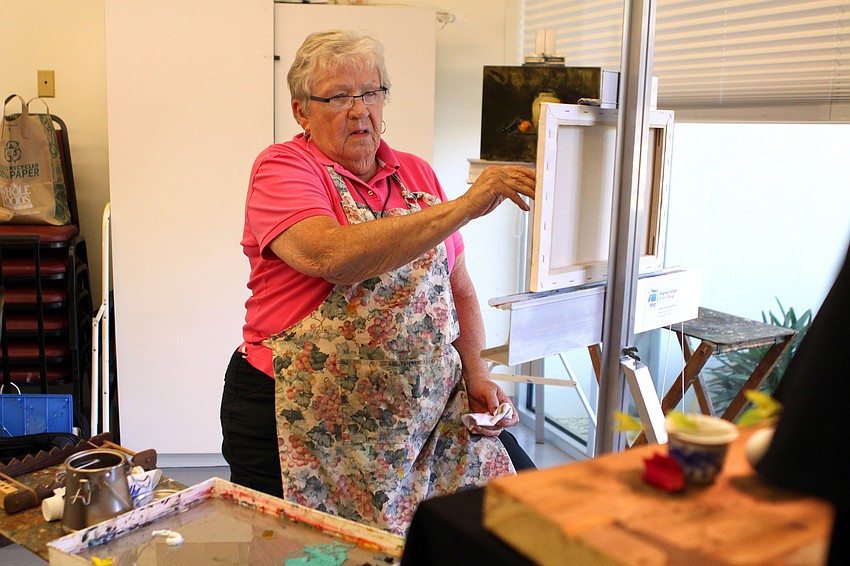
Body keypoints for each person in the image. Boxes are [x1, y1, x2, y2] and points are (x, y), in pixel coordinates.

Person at [220, 29, 536, 535]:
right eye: (339, 97)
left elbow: (458, 289)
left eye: (370, 93)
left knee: (518, 522)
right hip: (299, 418)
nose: (359, 109)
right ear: (302, 111)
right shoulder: (283, 167)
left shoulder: (417, 175)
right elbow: (331, 255)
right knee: (304, 551)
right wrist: (464, 207)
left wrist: (476, 375)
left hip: (426, 418)